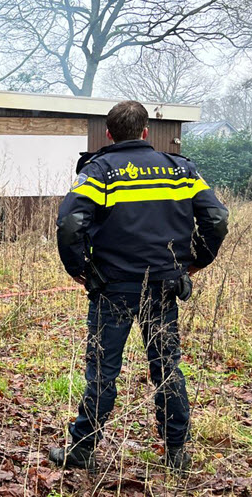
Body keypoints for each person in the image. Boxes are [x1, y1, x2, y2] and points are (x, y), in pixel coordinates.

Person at [50, 101, 229, 475]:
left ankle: (83, 450)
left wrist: (79, 269)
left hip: (112, 287)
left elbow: (70, 224)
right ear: (146, 132)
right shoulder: (181, 170)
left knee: (103, 371)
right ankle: (176, 451)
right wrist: (195, 261)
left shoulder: (100, 171)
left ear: (109, 134)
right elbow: (216, 217)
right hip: (164, 287)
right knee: (166, 368)